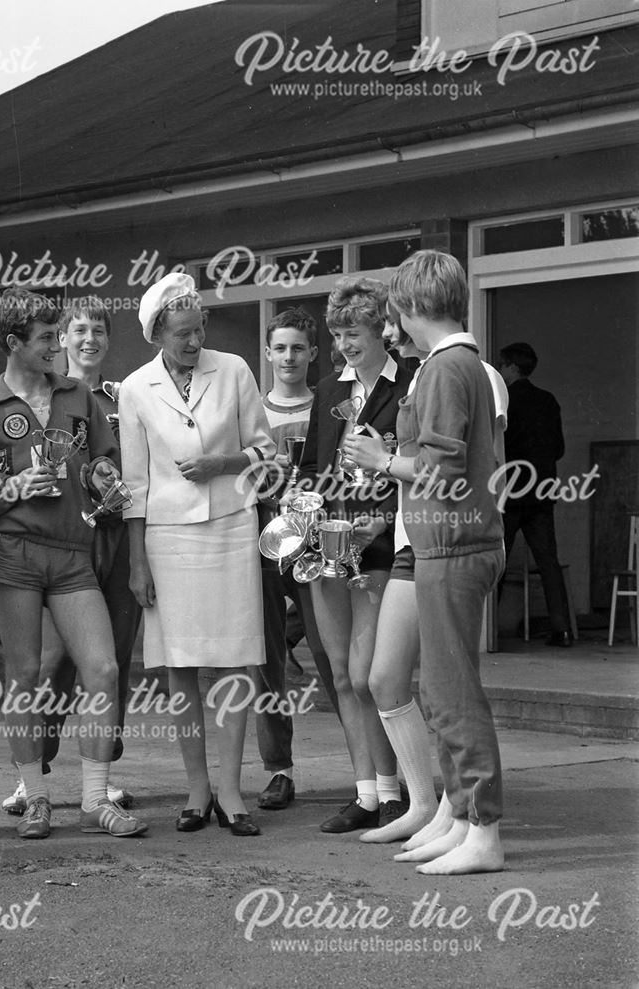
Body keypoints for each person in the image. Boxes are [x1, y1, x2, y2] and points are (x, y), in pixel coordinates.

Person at [0, 287, 147, 840]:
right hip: (14, 554)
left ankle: (93, 799)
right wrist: (12, 486)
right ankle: (36, 796)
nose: (56, 347)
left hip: (73, 553)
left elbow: (103, 463)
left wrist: (102, 478)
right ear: (14, 343)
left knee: (104, 668)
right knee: (23, 677)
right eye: (45, 339)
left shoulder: (78, 398)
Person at [348, 248, 506, 874]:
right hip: (453, 546)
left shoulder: (445, 368)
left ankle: (483, 832)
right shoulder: (462, 364)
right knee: (443, 691)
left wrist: (382, 463)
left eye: (397, 314)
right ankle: (464, 820)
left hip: (450, 546)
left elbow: (439, 468)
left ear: (413, 307)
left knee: (453, 695)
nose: (395, 327)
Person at [119, 272, 274, 837]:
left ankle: (232, 791)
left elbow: (265, 449)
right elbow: (135, 484)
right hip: (167, 540)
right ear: (157, 333)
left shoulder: (233, 369)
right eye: (182, 332)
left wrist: (222, 463)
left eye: (199, 329)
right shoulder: (134, 388)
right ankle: (196, 789)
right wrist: (137, 562)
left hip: (232, 528)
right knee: (178, 666)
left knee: (235, 660)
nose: (193, 341)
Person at [0, 296, 141, 815]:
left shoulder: (125, 397)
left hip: (116, 534)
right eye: (78, 330)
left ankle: (100, 777)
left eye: (99, 330)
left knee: (111, 660)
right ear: (61, 339)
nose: (89, 339)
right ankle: (34, 773)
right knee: (53, 660)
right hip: (63, 540)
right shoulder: (47, 397)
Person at [301, 276, 412, 834]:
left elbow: (415, 472)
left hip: (383, 547)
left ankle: (395, 794)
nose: (346, 343)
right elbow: (314, 470)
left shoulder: (411, 383)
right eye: (339, 333)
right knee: (341, 675)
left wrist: (379, 523)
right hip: (328, 546)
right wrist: (303, 515)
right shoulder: (327, 390)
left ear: (382, 331)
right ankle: (366, 794)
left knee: (369, 675)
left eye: (356, 333)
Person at [254, 306, 338, 812]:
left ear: (313, 354)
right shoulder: (252, 409)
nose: (288, 356)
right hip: (262, 542)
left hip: (314, 542)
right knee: (267, 660)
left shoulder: (330, 405)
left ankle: (372, 772)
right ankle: (278, 770)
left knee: (333, 655)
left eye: (298, 348)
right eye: (279, 348)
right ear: (267, 354)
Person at [496, 342, 573, 647]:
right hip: (542, 492)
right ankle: (562, 629)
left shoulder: (505, 402)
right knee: (548, 562)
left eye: (503, 365)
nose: (500, 371)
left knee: (498, 561)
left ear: (512, 367)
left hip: (512, 492)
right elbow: (560, 449)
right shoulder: (548, 400)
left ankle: (487, 629)